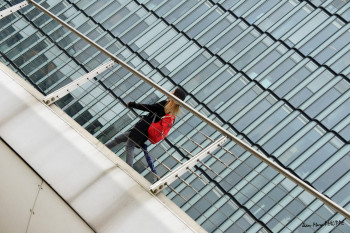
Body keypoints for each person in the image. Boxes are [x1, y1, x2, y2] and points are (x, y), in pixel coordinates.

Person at [105, 88, 187, 167]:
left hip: (143, 128)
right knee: (120, 138)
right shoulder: (172, 112)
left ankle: (128, 168)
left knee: (129, 146)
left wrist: (132, 104)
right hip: (147, 131)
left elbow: (149, 107)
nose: (170, 92)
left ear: (174, 96)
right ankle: (104, 148)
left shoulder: (164, 105)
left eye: (172, 92)